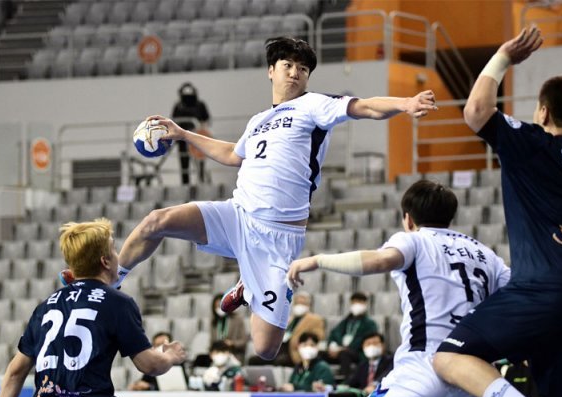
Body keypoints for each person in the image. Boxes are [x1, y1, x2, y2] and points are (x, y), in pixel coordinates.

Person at [110, 36, 438, 361]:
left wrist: (405, 104)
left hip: (279, 237)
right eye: (288, 66)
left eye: (302, 68)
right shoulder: (257, 122)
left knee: (265, 348)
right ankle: (113, 281)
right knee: (155, 221)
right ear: (271, 71)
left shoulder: (315, 105)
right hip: (236, 217)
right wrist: (182, 133)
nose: (295, 73)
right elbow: (231, 154)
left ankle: (249, 288)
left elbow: (364, 106)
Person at [432, 26, 562, 397]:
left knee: (450, 355)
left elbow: (475, 112)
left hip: (540, 290)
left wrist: (503, 56)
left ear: (543, 112)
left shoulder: (533, 144)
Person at [287, 179, 511, 397]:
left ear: (408, 219)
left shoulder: (414, 239)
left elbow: (381, 261)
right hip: (473, 372)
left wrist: (317, 260)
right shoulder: (488, 256)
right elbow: (520, 298)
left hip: (424, 368)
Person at [0, 218, 187, 397]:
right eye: (114, 251)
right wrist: (171, 356)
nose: (117, 256)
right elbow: (150, 365)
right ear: (105, 261)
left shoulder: (45, 307)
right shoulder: (118, 302)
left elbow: (14, 372)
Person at [249, 290, 325, 366]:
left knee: (280, 361)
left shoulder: (315, 320)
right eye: (297, 303)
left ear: (308, 305)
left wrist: (301, 341)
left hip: (294, 352)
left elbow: (318, 336)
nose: (299, 305)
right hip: (279, 349)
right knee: (254, 360)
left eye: (302, 303)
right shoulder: (290, 319)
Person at [324, 292, 378, 378]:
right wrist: (332, 346)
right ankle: (324, 379)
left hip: (358, 353)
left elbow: (366, 340)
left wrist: (343, 349)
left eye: (360, 302)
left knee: (345, 354)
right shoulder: (346, 321)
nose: (357, 305)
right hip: (340, 350)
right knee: (322, 354)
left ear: (365, 304)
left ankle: (344, 380)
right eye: (354, 302)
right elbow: (334, 333)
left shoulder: (370, 323)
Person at [171, 82, 211, 184]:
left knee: (200, 161)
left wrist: (201, 131)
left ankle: (201, 181)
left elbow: (206, 120)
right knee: (184, 161)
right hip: (182, 139)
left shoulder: (200, 105)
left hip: (197, 137)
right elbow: (173, 121)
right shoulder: (178, 106)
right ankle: (185, 183)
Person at [210, 292, 248, 362]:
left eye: (221, 306)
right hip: (218, 356)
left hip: (234, 355)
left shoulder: (237, 320)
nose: (219, 309)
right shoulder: (214, 322)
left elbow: (243, 342)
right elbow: (212, 343)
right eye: (217, 307)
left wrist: (231, 343)